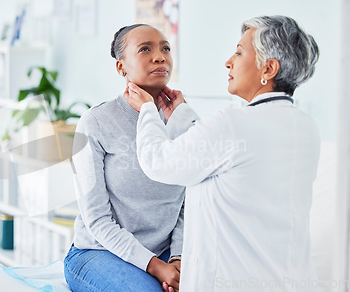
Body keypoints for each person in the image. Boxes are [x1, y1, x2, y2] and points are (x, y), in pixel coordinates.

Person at [126, 15, 321, 291]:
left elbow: (159, 162)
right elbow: (224, 162)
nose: (229, 61)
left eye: (239, 52)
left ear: (269, 68)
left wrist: (147, 110)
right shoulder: (305, 126)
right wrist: (181, 115)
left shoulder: (233, 124)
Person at [64, 24, 197, 292]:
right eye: (145, 49)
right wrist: (157, 268)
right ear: (121, 67)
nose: (160, 56)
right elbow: (97, 220)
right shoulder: (96, 122)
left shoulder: (181, 119)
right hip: (99, 253)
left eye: (165, 48)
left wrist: (179, 260)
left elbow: (188, 204)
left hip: (165, 255)